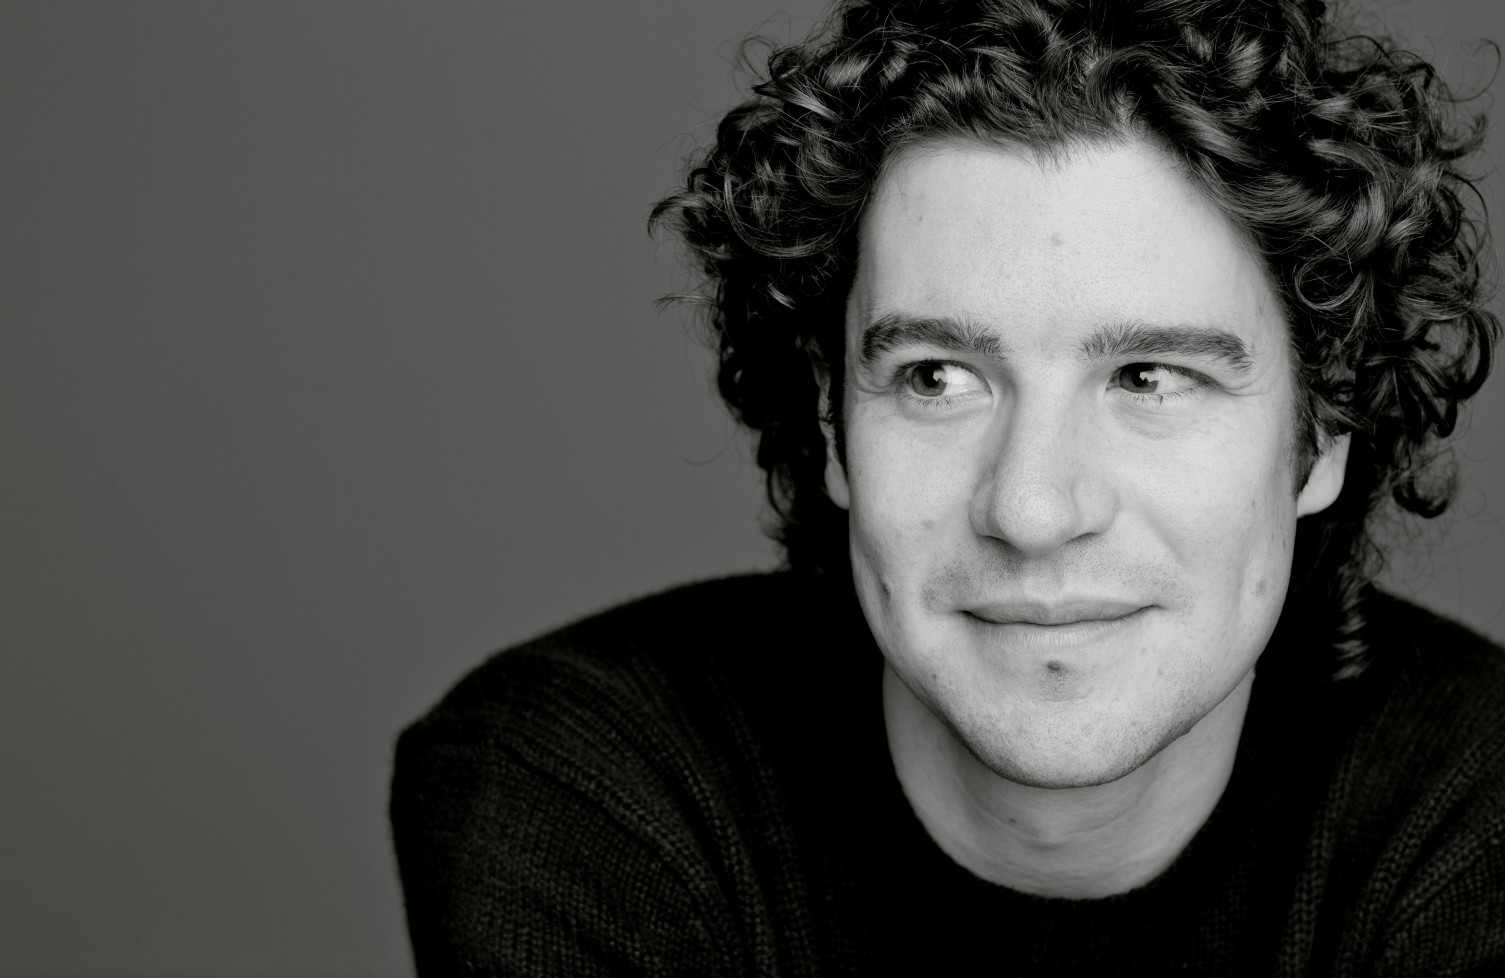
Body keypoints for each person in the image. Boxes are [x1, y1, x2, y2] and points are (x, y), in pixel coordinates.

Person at [390, 0, 1504, 973]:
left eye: (1148, 378)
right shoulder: (583, 783)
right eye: (936, 378)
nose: (1031, 509)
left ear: (1321, 432)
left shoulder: (1478, 812)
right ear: (832, 425)